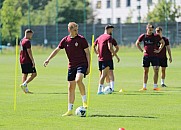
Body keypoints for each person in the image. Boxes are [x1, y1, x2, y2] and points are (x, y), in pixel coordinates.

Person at [43, 22, 90, 116]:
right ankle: (69, 110)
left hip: (82, 64)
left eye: (77, 30)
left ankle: (84, 101)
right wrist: (48, 59)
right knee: (70, 87)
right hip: (71, 66)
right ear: (69, 30)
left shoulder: (81, 39)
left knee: (78, 80)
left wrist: (88, 66)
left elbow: (87, 53)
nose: (76, 32)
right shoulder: (65, 40)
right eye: (74, 30)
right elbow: (57, 50)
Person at [135, 23, 165, 91]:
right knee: (146, 71)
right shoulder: (143, 36)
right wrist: (142, 50)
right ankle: (144, 86)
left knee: (156, 70)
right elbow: (137, 43)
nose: (150, 30)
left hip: (154, 56)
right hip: (147, 56)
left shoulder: (156, 36)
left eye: (152, 29)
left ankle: (155, 86)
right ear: (147, 28)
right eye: (149, 28)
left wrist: (159, 50)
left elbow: (162, 43)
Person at [93, 25, 120, 94]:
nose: (112, 31)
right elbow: (110, 48)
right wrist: (116, 56)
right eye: (111, 30)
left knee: (104, 74)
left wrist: (97, 54)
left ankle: (107, 88)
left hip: (100, 59)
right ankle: (99, 90)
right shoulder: (109, 37)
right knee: (104, 75)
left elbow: (93, 46)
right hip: (107, 59)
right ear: (108, 29)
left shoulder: (99, 37)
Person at [20, 29, 37, 94]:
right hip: (27, 60)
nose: (31, 36)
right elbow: (29, 51)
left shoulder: (22, 40)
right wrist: (32, 60)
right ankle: (24, 84)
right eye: (31, 35)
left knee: (25, 74)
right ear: (28, 34)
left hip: (22, 59)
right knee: (34, 74)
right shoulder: (27, 41)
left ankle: (25, 90)